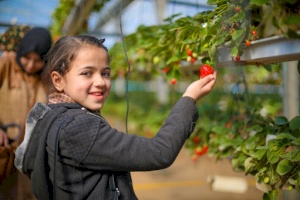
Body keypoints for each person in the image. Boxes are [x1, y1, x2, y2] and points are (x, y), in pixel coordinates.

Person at [15, 35, 217, 200]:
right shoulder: (79, 127)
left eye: (105, 73)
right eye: (87, 73)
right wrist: (189, 98)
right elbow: (159, 153)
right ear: (58, 80)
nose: (100, 82)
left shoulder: (51, 115)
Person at [0, 27, 52, 200]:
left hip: (26, 162)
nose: (30, 65)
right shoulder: (6, 65)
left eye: (38, 60)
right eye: (27, 57)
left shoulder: (46, 80)